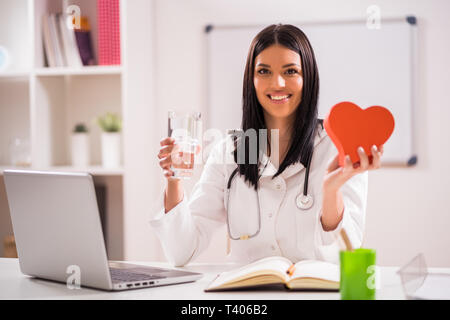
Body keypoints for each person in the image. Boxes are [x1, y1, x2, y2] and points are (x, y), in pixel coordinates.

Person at [150, 24, 384, 267]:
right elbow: (182, 252)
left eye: (291, 71)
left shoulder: (337, 147)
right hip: (247, 299)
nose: (278, 83)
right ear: (251, 80)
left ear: (309, 78)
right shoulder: (232, 150)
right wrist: (174, 178)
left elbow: (347, 250)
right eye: (264, 72)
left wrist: (331, 192)